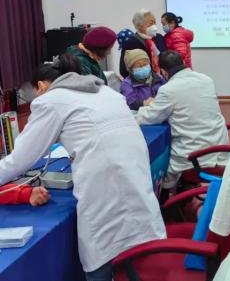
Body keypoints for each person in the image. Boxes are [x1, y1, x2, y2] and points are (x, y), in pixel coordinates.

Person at [0, 54, 166, 280]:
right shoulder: (107, 92)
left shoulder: (52, 99)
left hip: (105, 193)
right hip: (136, 181)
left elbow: (20, 159)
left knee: (102, 263)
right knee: (135, 256)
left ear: (42, 86)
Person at [135, 51, 229, 189]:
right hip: (220, 150)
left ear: (164, 72)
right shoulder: (206, 80)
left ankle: (171, 198)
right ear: (183, 63)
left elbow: (150, 117)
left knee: (160, 172)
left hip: (194, 158)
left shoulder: (169, 89)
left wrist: (137, 112)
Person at [119, 9, 167, 78]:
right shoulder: (130, 43)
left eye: (155, 22)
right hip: (143, 81)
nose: (154, 26)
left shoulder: (159, 38)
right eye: (151, 23)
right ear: (139, 26)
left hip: (163, 79)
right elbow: (124, 70)